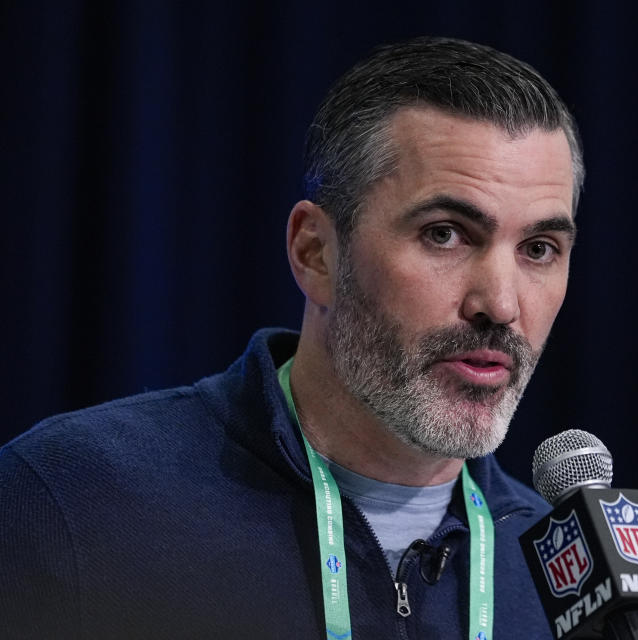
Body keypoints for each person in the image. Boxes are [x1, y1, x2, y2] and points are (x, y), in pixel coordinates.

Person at [0, 36, 584, 639]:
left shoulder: (562, 577)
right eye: (445, 234)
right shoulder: (71, 502)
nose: (502, 304)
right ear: (315, 253)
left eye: (539, 249)